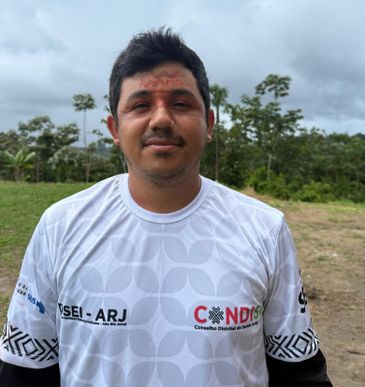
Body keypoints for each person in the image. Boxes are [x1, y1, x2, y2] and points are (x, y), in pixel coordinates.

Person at [0, 27, 332, 387]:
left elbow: (300, 373)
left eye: (181, 103)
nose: (160, 119)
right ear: (114, 127)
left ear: (209, 123)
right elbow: (24, 371)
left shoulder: (265, 229)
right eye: (140, 105)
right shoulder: (60, 226)